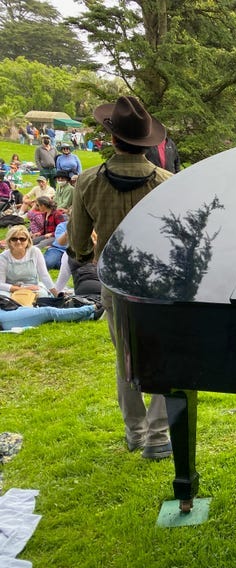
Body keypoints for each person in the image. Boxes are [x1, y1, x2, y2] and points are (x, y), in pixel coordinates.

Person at [68, 96, 174, 460]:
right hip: (158, 284)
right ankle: (159, 435)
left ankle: (135, 431)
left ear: (112, 139)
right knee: (163, 353)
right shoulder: (167, 182)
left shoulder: (87, 182)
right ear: (146, 143)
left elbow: (79, 242)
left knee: (125, 356)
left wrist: (86, 257)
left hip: (114, 283)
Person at [0, 226, 58, 299]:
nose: (18, 242)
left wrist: (57, 295)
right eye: (14, 239)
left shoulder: (35, 252)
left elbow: (44, 275)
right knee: (3, 299)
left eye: (22, 239)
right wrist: (21, 289)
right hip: (10, 290)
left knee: (43, 296)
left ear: (28, 240)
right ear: (9, 241)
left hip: (33, 289)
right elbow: (1, 284)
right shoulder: (3, 257)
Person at [0, 303, 97, 331]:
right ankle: (93, 308)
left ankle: (92, 315)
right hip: (3, 319)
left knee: (49, 318)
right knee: (47, 312)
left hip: (5, 310)